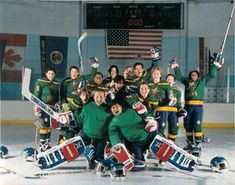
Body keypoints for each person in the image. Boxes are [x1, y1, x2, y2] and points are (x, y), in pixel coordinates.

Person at [169, 55, 224, 156]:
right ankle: (190, 143)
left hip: (198, 107)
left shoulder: (202, 81)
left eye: (195, 75)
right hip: (188, 107)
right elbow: (179, 76)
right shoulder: (187, 82)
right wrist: (175, 66)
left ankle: (198, 144)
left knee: (197, 125)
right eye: (192, 75)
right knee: (188, 125)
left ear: (198, 76)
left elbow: (211, 74)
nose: (193, 76)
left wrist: (215, 65)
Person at [108, 101, 158, 169]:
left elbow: (145, 116)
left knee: (160, 144)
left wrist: (148, 116)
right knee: (139, 161)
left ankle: (166, 153)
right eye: (113, 108)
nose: (116, 109)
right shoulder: (113, 122)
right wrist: (117, 145)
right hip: (136, 142)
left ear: (121, 107)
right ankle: (141, 157)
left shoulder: (131, 111)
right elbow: (113, 134)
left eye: (117, 106)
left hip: (148, 135)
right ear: (111, 110)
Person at [59, 62, 98, 143]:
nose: (74, 73)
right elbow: (62, 94)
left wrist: (94, 67)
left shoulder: (82, 78)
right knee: (66, 123)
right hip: (70, 106)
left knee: (78, 123)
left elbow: (91, 77)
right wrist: (63, 103)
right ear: (70, 72)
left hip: (80, 104)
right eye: (72, 72)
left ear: (78, 73)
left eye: (76, 72)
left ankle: (80, 142)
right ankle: (62, 140)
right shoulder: (65, 82)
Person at [75, 89, 112, 169]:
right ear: (94, 97)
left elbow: (110, 126)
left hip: (100, 138)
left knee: (98, 160)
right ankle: (87, 151)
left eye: (101, 96)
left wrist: (109, 139)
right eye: (97, 96)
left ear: (104, 97)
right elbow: (79, 121)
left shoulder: (108, 110)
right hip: (86, 136)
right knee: (76, 148)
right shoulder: (87, 107)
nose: (99, 99)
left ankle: (92, 160)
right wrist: (70, 121)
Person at [34, 66, 59, 152]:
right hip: (42, 107)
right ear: (46, 74)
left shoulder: (56, 84)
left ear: (54, 74)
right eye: (49, 73)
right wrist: (37, 108)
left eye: (52, 73)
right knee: (43, 126)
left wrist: (57, 105)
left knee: (49, 126)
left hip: (51, 109)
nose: (51, 75)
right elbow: (36, 96)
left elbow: (56, 97)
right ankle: (42, 145)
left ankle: (47, 144)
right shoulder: (40, 82)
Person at [148, 67, 177, 138]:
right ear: (152, 75)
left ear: (160, 74)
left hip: (162, 108)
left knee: (161, 127)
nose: (155, 74)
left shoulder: (166, 83)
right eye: (154, 73)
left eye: (157, 73)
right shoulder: (148, 84)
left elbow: (170, 94)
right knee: (150, 127)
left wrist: (171, 99)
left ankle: (160, 143)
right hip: (150, 108)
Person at [166, 74, 186, 142]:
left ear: (174, 81)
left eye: (171, 79)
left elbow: (178, 104)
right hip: (163, 110)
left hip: (173, 112)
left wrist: (180, 109)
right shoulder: (162, 89)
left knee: (174, 128)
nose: (169, 81)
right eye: (168, 79)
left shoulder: (177, 91)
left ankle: (171, 142)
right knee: (160, 128)